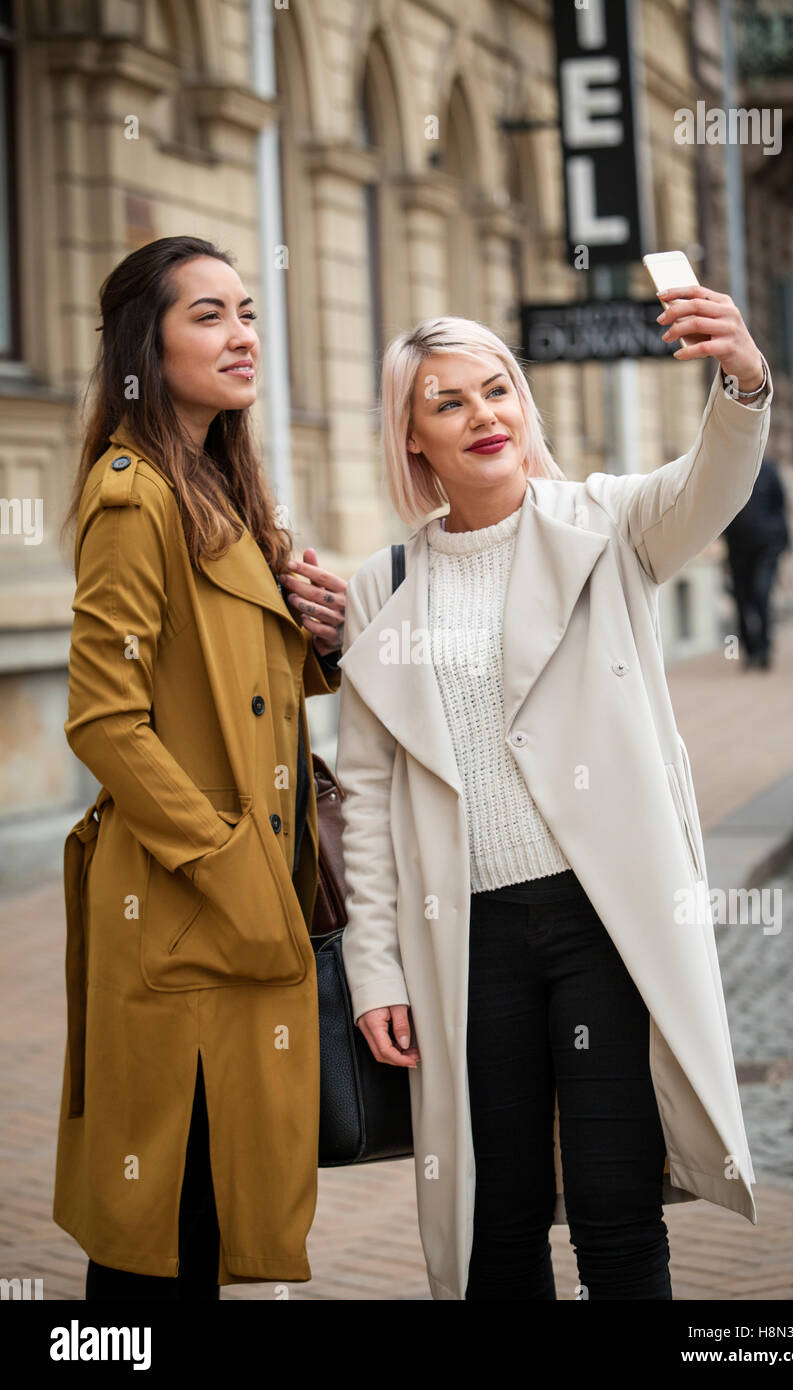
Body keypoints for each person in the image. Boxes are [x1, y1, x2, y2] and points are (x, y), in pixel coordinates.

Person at [334, 285, 773, 1301]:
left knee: (617, 1218)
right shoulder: (384, 582)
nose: (483, 416)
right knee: (497, 1223)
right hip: (465, 940)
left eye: (497, 390)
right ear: (411, 436)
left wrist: (742, 377)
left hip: (600, 925)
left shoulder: (608, 523)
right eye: (448, 403)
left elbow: (712, 480)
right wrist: (374, 970)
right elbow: (363, 787)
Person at [53, 235, 345, 1299]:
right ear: (147, 344)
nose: (242, 336)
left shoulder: (218, 487)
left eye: (247, 312)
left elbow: (232, 693)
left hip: (240, 902)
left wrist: (321, 641)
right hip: (181, 899)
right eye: (208, 316)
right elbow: (104, 720)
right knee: (155, 1226)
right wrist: (226, 864)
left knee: (211, 1210)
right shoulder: (135, 496)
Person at [723, 455, 789, 669]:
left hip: (765, 548)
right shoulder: (729, 469)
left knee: (761, 594)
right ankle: (750, 651)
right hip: (738, 549)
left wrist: (777, 537)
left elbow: (780, 506)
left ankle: (765, 647)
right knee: (742, 601)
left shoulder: (769, 471)